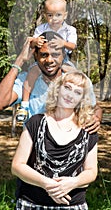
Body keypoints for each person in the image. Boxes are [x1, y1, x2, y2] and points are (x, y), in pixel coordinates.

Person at [11, 70, 98, 209]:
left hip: (72, 205)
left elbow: (92, 171)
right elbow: (17, 166)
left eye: (77, 92)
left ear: (82, 99)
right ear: (58, 89)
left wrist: (73, 183)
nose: (70, 95)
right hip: (32, 203)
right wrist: (48, 184)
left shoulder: (88, 130)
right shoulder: (35, 123)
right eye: (67, 88)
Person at [0, 31, 102, 133]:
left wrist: (97, 117)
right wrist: (20, 60)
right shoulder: (26, 81)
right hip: (34, 150)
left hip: (68, 150)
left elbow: (94, 107)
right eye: (44, 55)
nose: (49, 60)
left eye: (55, 54)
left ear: (63, 55)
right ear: (36, 56)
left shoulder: (77, 81)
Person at [17, 0, 77, 122]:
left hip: (64, 61)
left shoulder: (69, 30)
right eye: (50, 15)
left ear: (65, 15)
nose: (54, 19)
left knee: (76, 77)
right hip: (43, 61)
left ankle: (79, 105)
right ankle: (25, 105)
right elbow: (32, 43)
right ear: (45, 15)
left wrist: (63, 43)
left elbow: (72, 46)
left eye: (58, 15)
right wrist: (35, 41)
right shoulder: (41, 28)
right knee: (32, 73)